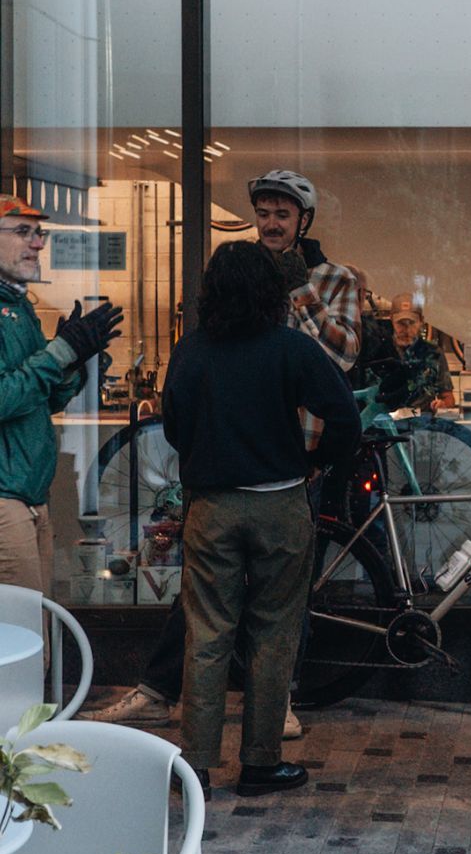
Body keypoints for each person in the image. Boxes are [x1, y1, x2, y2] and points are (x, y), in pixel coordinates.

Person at [81, 169, 362, 735]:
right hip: (231, 465)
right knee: (207, 597)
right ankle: (162, 692)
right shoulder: (239, 274)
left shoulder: (335, 278)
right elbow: (207, 356)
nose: (271, 224)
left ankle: (272, 706)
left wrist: (296, 288)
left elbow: (343, 357)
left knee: (283, 599)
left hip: (297, 462)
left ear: (303, 220)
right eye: (263, 214)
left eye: (282, 214)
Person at [164, 241, 359, 797]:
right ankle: (260, 762)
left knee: (206, 634)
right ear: (273, 293)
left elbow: (175, 425)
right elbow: (343, 414)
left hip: (211, 507)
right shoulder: (291, 349)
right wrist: (317, 464)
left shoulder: (191, 351)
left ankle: (195, 764)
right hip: (280, 504)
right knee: (274, 634)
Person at [0, 195, 122, 606]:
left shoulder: (17, 306)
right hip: (5, 498)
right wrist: (62, 352)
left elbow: (42, 399)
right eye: (22, 232)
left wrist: (76, 358)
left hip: (29, 495)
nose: (37, 244)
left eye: (39, 233)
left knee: (36, 625)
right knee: (20, 633)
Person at [383, 292, 455, 411]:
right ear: (391, 320)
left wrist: (442, 404)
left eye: (412, 323)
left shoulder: (433, 354)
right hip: (386, 421)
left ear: (421, 321)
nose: (407, 329)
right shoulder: (382, 351)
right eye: (400, 323)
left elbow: (448, 397)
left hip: (422, 422)